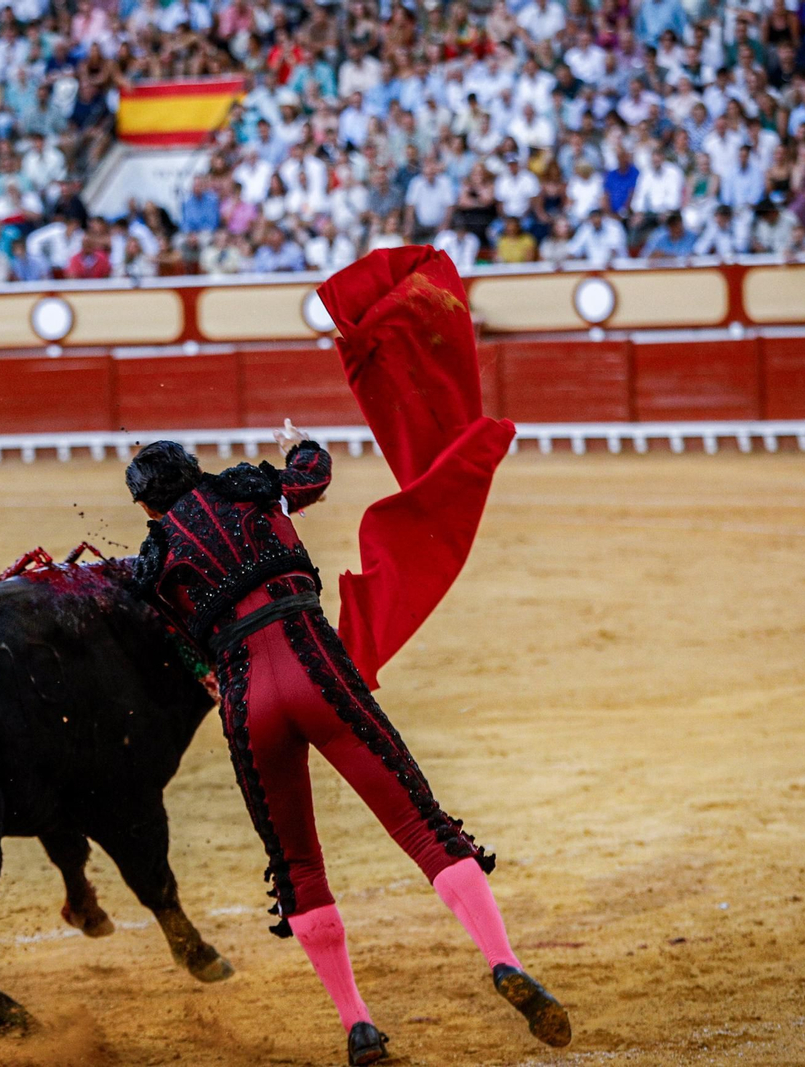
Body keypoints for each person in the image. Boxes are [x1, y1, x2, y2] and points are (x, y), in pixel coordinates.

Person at [123, 250, 568, 1067]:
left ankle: (358, 1022)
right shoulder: (250, 487)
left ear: (150, 502)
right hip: (318, 665)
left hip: (249, 700)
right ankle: (504, 960)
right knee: (419, 823)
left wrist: (206, 672)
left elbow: (160, 635)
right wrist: (299, 444)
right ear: (197, 471)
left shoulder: (153, 558)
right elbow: (316, 472)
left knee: (297, 864)